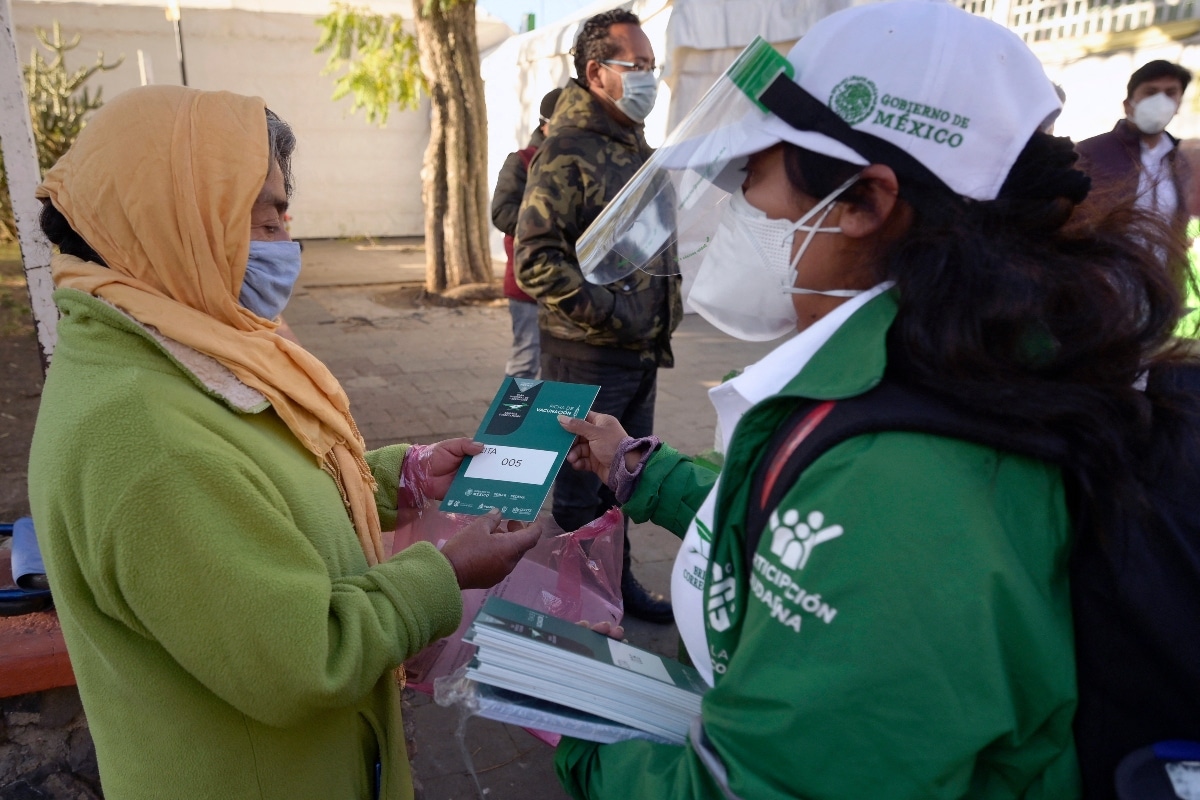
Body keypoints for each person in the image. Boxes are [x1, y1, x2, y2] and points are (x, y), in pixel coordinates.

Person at [551, 2, 1192, 797]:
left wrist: (571, 732)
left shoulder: (904, 476)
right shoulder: (953, 363)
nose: (752, 215)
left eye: (758, 185)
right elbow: (797, 523)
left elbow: (755, 787)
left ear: (864, 202)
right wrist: (640, 470)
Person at [27, 86, 543, 800]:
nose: (287, 245)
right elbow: (305, 659)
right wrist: (444, 574)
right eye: (267, 218)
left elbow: (258, 491)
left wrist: (400, 477)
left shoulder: (177, 348)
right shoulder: (147, 439)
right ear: (177, 220)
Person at [515, 9, 682, 624]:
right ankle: (566, 607)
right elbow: (536, 259)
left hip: (641, 352)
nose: (649, 79)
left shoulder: (638, 151)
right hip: (588, 352)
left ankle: (616, 585)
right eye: (636, 67)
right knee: (581, 485)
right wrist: (611, 313)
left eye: (652, 67)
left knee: (628, 477)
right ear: (596, 73)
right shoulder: (567, 151)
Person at [1076, 60, 1194, 240]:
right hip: (1104, 266)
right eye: (1151, 92)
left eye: (1170, 93)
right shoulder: (1090, 153)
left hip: (1158, 268)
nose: (1160, 102)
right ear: (1128, 104)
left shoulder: (1179, 161)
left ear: (1178, 105)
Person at [491, 87, 562, 378]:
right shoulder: (520, 161)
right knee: (526, 361)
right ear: (546, 124)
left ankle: (546, 424)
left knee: (557, 367)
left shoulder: (577, 164)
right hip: (528, 283)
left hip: (568, 287)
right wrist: (550, 227)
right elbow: (501, 213)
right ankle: (507, 425)